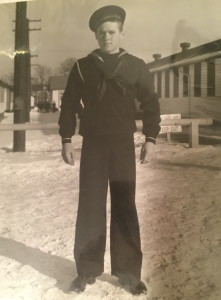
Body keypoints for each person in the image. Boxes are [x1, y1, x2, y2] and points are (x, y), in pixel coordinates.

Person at [58, 5, 161, 295]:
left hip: (122, 145)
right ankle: (87, 270)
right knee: (90, 207)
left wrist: (150, 139)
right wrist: (66, 139)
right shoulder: (82, 66)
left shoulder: (136, 65)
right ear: (95, 34)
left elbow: (151, 104)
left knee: (125, 207)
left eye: (112, 32)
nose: (107, 37)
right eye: (101, 32)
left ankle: (128, 274)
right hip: (93, 144)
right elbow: (68, 105)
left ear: (121, 33)